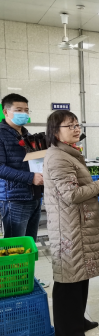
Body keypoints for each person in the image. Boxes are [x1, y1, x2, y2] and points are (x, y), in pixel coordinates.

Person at [43, 110, 99, 336]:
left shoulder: (69, 153)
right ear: (55, 132)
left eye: (77, 125)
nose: (76, 129)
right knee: (69, 281)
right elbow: (71, 195)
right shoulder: (58, 157)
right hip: (69, 229)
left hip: (78, 225)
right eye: (69, 126)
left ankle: (78, 321)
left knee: (80, 276)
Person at [0, 94, 43, 241]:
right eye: (19, 110)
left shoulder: (27, 134)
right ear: (5, 112)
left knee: (29, 243)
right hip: (14, 199)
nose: (24, 113)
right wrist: (31, 178)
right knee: (16, 246)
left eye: (26, 110)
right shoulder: (1, 134)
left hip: (34, 195)